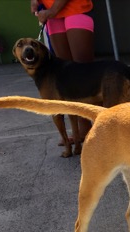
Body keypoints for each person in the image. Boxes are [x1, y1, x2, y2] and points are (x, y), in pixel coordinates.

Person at [30, 0, 95, 140]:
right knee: (67, 78)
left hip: (76, 10)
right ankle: (81, 129)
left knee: (84, 74)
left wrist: (52, 11)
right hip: (53, 17)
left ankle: (96, 126)